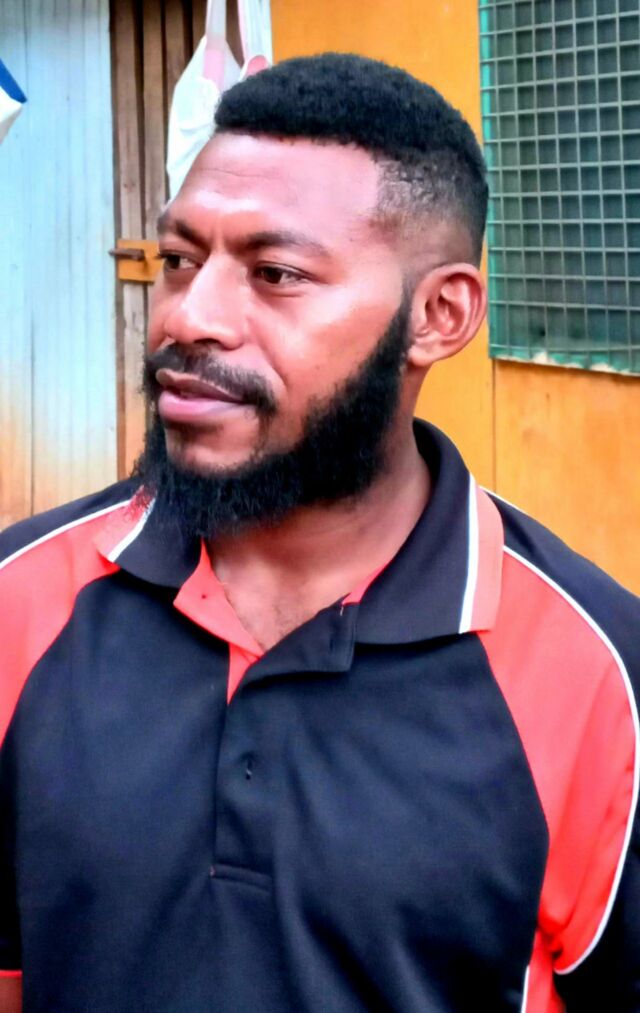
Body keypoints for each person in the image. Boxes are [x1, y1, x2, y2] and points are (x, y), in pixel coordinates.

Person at [0, 53, 638, 1013]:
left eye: (276, 274)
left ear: (438, 315)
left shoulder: (599, 677)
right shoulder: (20, 601)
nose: (189, 317)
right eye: (179, 260)